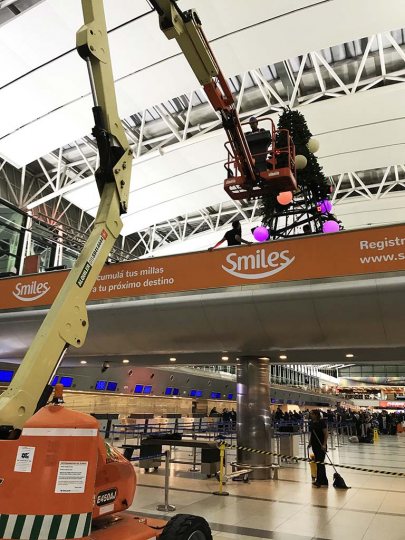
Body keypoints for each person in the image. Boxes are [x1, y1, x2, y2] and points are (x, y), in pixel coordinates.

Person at [308, 409, 329, 488]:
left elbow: (326, 433)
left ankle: (321, 481)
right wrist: (310, 443)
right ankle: (322, 481)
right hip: (314, 445)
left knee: (320, 462)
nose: (311, 415)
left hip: (321, 445)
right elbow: (312, 434)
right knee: (318, 462)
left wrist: (324, 444)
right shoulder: (312, 423)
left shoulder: (322, 422)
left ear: (316, 415)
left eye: (312, 414)